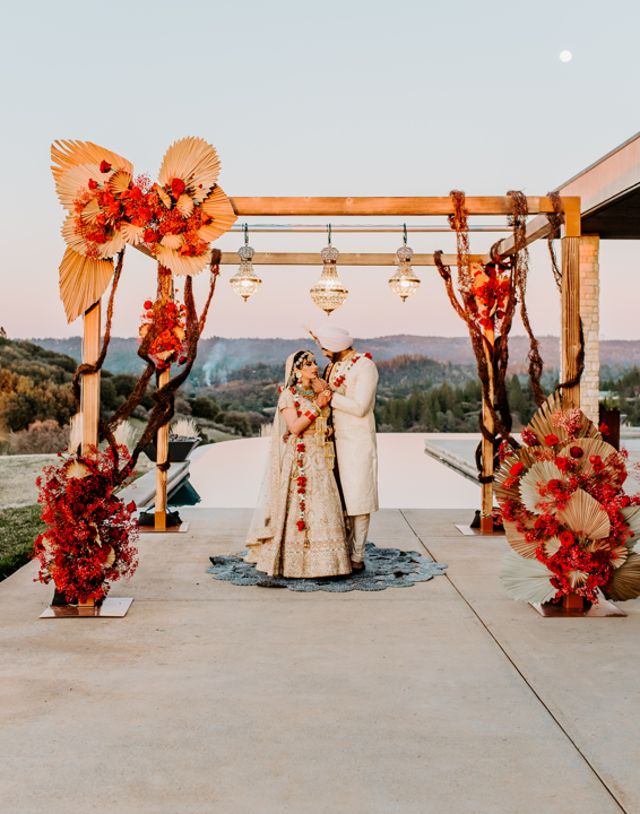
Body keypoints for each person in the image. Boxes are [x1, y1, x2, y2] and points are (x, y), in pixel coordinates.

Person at [244, 350, 352, 578]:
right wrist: (317, 406)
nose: (314, 367)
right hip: (300, 456)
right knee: (300, 505)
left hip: (321, 454)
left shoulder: (318, 391)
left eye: (314, 362)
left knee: (324, 502)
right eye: (308, 364)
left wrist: (323, 396)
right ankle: (295, 561)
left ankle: (329, 562)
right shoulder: (288, 395)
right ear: (296, 370)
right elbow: (294, 427)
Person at [311, 324, 379, 571]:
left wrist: (328, 393)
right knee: (338, 498)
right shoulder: (334, 366)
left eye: (325, 348)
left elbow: (360, 407)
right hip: (333, 442)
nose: (323, 352)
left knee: (358, 498)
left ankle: (357, 556)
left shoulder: (365, 366)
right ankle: (340, 549)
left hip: (357, 443)